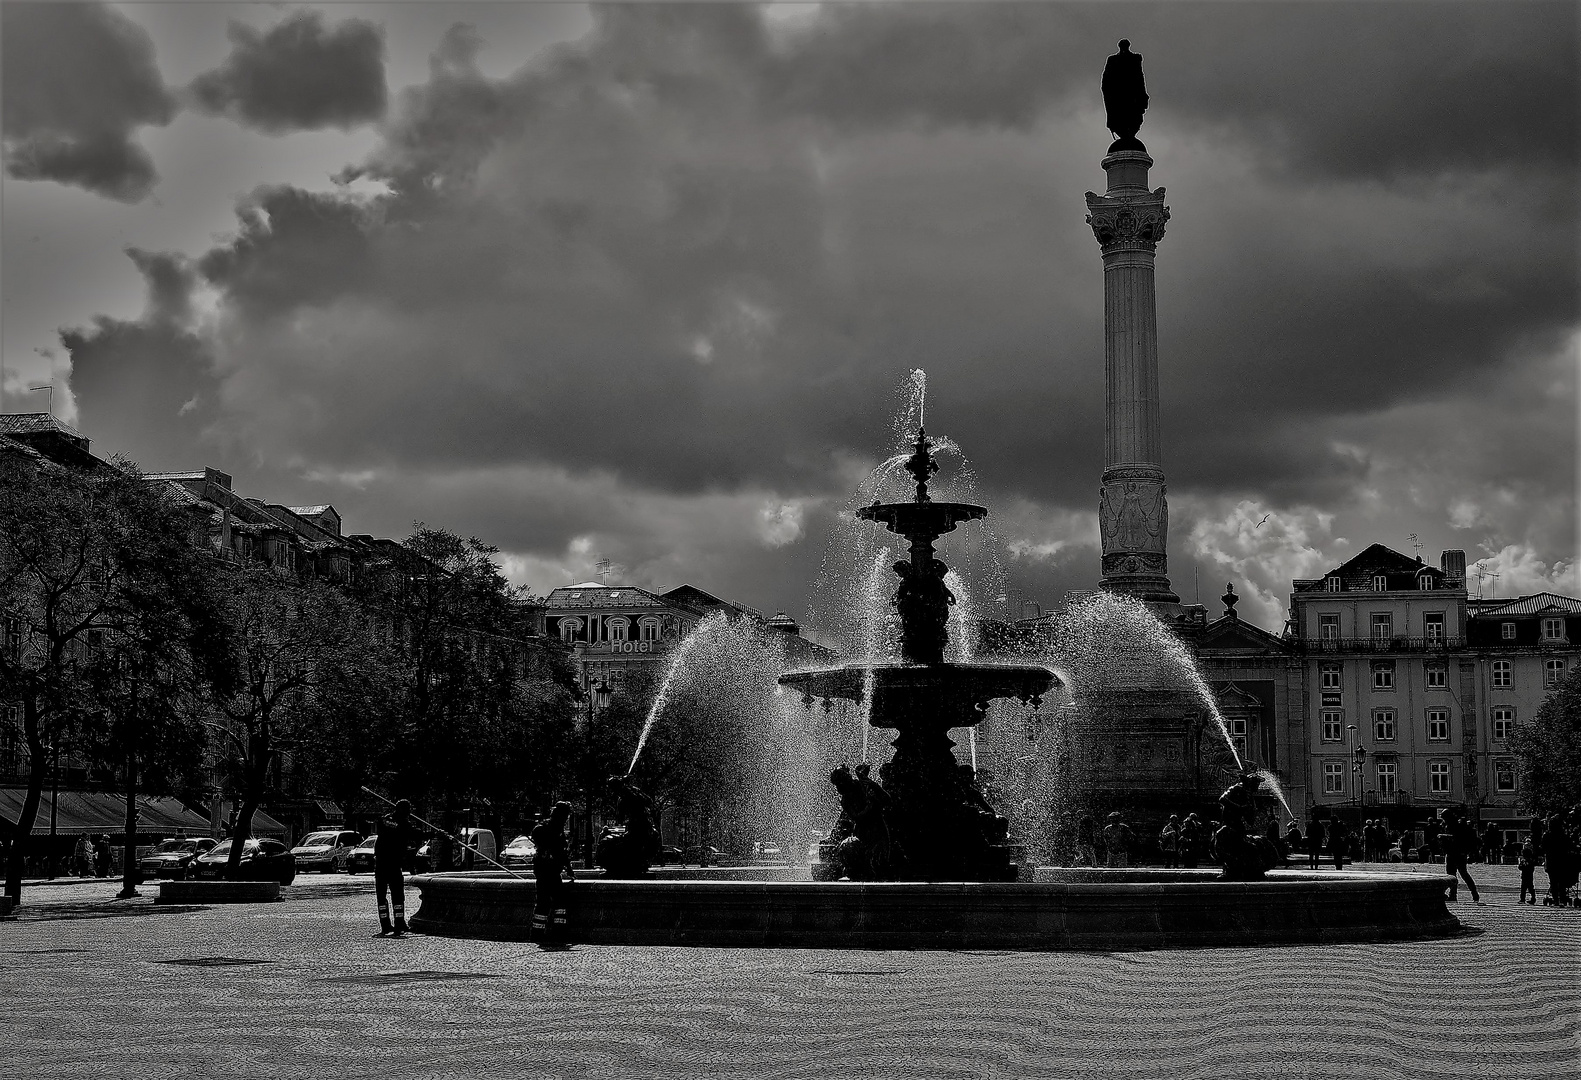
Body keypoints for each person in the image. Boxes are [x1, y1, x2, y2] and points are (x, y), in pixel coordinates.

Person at [531, 802, 575, 949]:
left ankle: (537, 932)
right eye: (567, 815)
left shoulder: (546, 826)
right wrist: (568, 868)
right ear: (563, 815)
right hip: (550, 870)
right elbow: (561, 852)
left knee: (542, 901)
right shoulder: (555, 829)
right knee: (559, 901)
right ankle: (558, 931)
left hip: (543, 870)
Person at [373, 800, 414, 937]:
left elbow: (382, 824)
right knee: (397, 895)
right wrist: (436, 834)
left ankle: (385, 925)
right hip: (393, 864)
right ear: (405, 811)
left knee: (381, 895)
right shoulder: (404, 824)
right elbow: (413, 834)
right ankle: (399, 923)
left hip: (380, 864)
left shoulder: (384, 820)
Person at [1437, 809, 1482, 904]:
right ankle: (1453, 895)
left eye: (1444, 817)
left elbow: (1457, 838)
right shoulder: (1449, 824)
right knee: (1452, 876)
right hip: (1452, 853)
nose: (1443, 819)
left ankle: (1474, 894)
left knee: (1463, 874)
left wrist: (1444, 836)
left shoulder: (1457, 825)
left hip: (1458, 853)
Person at [1518, 835, 1540, 905]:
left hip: (1525, 876)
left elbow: (1520, 867)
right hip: (1530, 876)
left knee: (1524, 888)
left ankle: (1523, 899)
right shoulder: (1531, 861)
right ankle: (1532, 898)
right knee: (1530, 888)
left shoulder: (1524, 861)